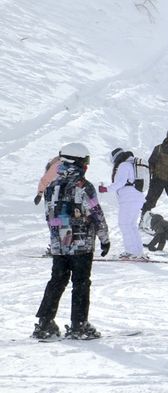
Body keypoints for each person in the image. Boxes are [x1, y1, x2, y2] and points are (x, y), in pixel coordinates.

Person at [32, 143, 110, 340]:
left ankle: (44, 323)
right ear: (79, 162)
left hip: (59, 245)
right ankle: (79, 325)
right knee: (81, 282)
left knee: (57, 281)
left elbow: (49, 216)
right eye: (86, 162)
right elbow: (96, 214)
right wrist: (104, 238)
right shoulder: (84, 186)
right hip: (81, 243)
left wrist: (57, 237)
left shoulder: (51, 187)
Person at [98, 148, 146, 259]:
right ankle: (138, 251)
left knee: (124, 224)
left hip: (129, 198)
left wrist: (106, 189)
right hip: (137, 197)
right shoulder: (132, 164)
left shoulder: (124, 165)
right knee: (131, 225)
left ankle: (131, 252)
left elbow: (120, 182)